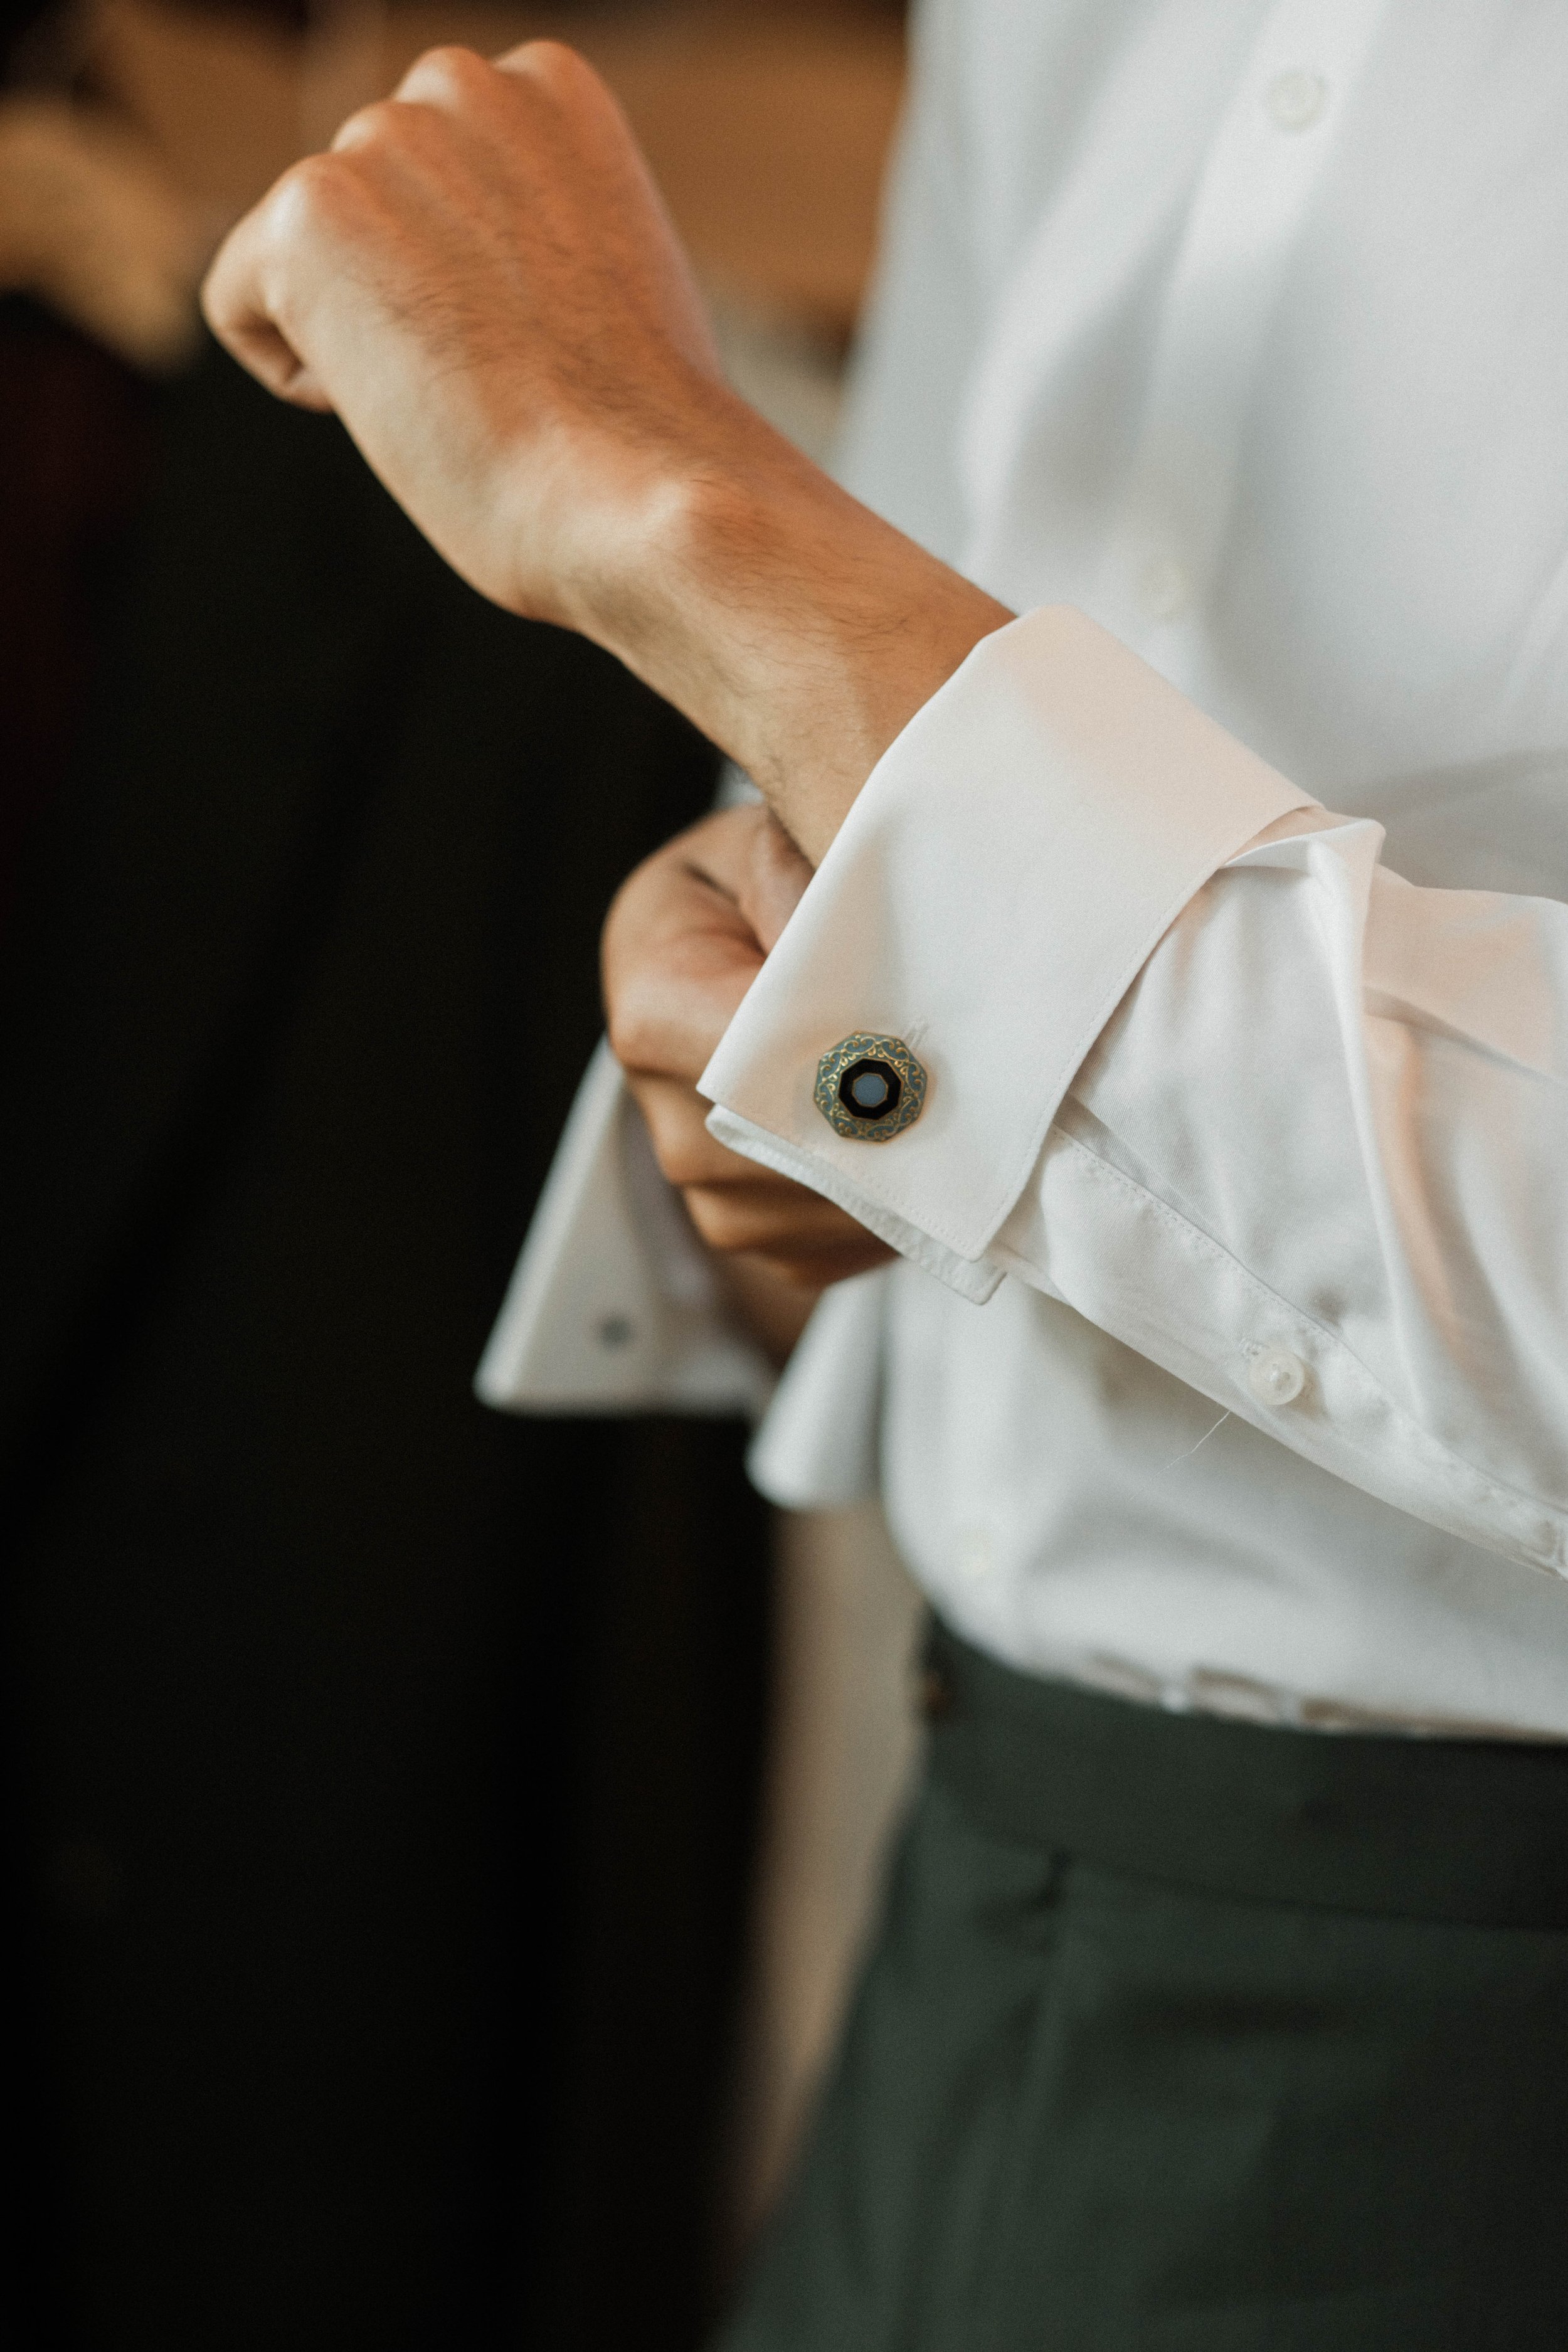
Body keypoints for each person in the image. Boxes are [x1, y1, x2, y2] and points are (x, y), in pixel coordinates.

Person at [202, 4, 1568, 2342]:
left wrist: (687, 519)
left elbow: (842, 650)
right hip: (949, 1960)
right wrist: (800, 1029)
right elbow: (876, 786)